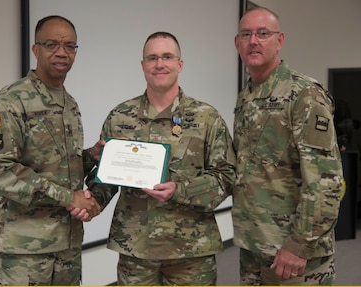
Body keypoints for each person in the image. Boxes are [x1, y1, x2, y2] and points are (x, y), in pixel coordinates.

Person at [82, 31, 236, 285]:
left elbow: (226, 176)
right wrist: (93, 203)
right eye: (152, 58)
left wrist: (181, 190)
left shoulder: (207, 118)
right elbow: (107, 176)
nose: (159, 64)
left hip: (192, 251)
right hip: (135, 249)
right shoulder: (120, 117)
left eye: (167, 56)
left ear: (180, 64)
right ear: (143, 66)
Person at [0, 15, 104, 285]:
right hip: (24, 252)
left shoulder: (69, 104)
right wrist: (69, 198)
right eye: (52, 44)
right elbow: (0, 170)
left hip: (67, 246)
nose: (62, 52)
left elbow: (57, 166)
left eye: (70, 46)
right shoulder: (10, 102)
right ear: (36, 49)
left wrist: (90, 158)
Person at [232, 7, 343, 285]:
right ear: (237, 43)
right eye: (246, 34)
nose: (253, 41)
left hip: (294, 256)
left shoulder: (304, 94)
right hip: (255, 247)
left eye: (263, 33)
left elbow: (326, 182)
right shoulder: (246, 97)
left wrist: (299, 245)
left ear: (279, 40)